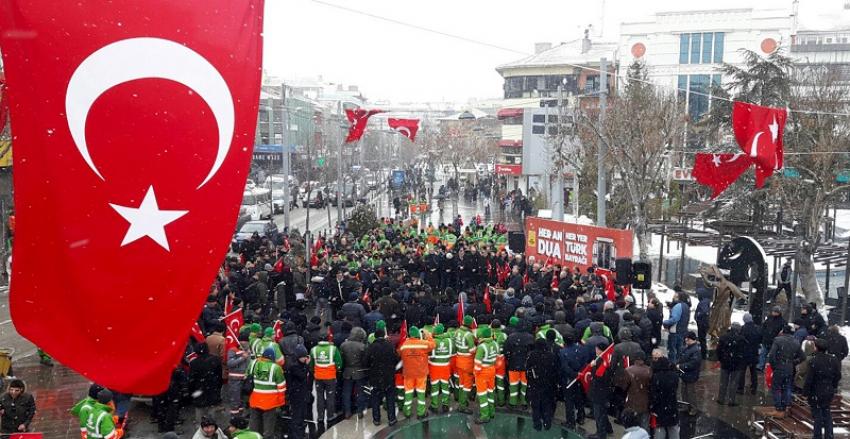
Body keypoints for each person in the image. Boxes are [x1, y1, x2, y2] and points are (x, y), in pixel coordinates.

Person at [804, 338, 842, 439]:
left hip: (816, 391)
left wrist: (806, 392)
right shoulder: (833, 360)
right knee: (827, 412)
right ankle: (829, 435)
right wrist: (833, 386)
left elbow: (809, 379)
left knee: (817, 415)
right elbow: (838, 375)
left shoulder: (813, 361)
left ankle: (817, 436)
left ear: (816, 348)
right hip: (828, 390)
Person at [247, 347, 286, 437]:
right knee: (268, 427)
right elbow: (281, 386)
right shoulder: (276, 368)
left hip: (255, 399)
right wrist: (281, 402)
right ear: (272, 357)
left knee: (254, 424)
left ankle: (254, 437)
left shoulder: (253, 363)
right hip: (270, 402)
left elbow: (247, 376)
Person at [364, 328, 399, 426]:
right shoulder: (390, 346)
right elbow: (396, 359)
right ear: (384, 335)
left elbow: (366, 362)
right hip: (388, 376)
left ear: (375, 336)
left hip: (375, 377)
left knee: (375, 398)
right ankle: (391, 418)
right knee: (390, 397)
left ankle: (376, 419)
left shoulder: (371, 347)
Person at [767, 325, 804, 418]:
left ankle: (778, 409)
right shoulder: (796, 342)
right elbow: (802, 357)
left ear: (783, 331)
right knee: (787, 388)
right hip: (790, 368)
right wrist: (793, 363)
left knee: (775, 388)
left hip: (779, 367)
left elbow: (771, 355)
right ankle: (786, 407)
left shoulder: (778, 340)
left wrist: (774, 365)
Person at [399, 326, 435, 419]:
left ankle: (407, 412)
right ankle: (421, 413)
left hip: (408, 374)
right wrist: (428, 335)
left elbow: (400, 353)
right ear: (418, 334)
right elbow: (433, 345)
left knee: (408, 393)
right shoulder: (423, 344)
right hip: (421, 373)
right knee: (421, 393)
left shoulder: (404, 345)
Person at [559, 331, 591, 429]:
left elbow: (565, 367)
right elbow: (586, 362)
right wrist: (580, 372)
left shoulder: (563, 352)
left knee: (569, 401)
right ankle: (581, 417)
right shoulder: (581, 349)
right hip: (580, 378)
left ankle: (570, 421)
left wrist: (574, 374)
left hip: (569, 379)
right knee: (579, 398)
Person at [310, 333, 342, 424]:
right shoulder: (333, 349)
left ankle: (320, 416)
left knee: (319, 396)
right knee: (330, 397)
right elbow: (339, 363)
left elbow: (311, 365)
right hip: (330, 377)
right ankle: (330, 416)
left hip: (318, 377)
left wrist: (314, 372)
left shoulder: (314, 349)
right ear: (328, 340)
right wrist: (336, 370)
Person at [188, 342, 224, 422]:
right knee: (211, 414)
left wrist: (192, 392)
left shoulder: (194, 363)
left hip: (199, 391)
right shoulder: (215, 360)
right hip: (212, 390)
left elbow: (191, 380)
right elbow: (219, 376)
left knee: (199, 415)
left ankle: (201, 430)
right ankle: (211, 428)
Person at [526, 338, 557, 431]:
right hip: (548, 384)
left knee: (535, 405)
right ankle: (547, 422)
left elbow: (528, 369)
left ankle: (537, 424)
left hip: (535, 384)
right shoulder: (551, 355)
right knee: (547, 403)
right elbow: (555, 370)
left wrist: (530, 381)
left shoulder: (532, 355)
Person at [504, 318, 534, 408]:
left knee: (513, 384)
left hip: (513, 364)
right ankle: (524, 402)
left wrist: (509, 359)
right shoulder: (530, 337)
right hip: (525, 365)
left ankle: (512, 402)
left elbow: (506, 350)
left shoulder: (511, 337)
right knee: (524, 384)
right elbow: (532, 352)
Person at [649, 350, 679, 439]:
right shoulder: (674, 376)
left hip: (660, 407)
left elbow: (654, 394)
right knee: (673, 428)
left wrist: (653, 407)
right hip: (672, 406)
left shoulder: (656, 377)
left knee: (660, 428)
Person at [473, 326, 499, 424]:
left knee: (482, 394)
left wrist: (476, 373)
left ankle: (484, 415)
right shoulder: (495, 344)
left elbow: (477, 362)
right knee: (490, 391)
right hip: (492, 370)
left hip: (482, 372)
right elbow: (498, 358)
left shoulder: (481, 346)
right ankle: (492, 412)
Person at [340, 326, 367, 419]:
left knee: (346, 393)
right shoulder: (362, 346)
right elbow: (365, 361)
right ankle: (360, 411)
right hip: (359, 371)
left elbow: (341, 359)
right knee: (360, 392)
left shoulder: (343, 345)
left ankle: (347, 411)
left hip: (347, 371)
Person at [588, 342, 614, 439]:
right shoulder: (607, 360)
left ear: (599, 350)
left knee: (599, 414)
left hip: (599, 392)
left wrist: (593, 367)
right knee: (602, 412)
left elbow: (598, 377)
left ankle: (600, 434)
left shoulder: (600, 362)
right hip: (604, 391)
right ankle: (608, 428)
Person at [620, 351, 652, 430]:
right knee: (645, 426)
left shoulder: (628, 370)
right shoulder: (649, 370)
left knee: (632, 426)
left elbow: (624, 387)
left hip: (632, 402)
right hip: (646, 402)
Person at [286, 345, 312, 439]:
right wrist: (307, 365)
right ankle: (297, 435)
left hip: (301, 393)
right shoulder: (293, 366)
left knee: (302, 415)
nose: (305, 358)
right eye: (303, 357)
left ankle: (300, 433)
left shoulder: (299, 364)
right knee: (297, 416)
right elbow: (302, 376)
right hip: (296, 395)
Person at [716, 323, 745, 406]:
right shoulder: (741, 339)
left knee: (723, 382)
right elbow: (743, 353)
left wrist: (721, 359)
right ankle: (731, 400)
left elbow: (718, 350)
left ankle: (721, 399)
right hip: (736, 365)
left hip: (725, 363)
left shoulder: (723, 337)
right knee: (733, 383)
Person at [453, 315, 477, 413]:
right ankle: (462, 406)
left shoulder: (457, 331)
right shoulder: (468, 335)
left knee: (461, 383)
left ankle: (461, 400)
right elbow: (472, 350)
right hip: (467, 362)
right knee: (467, 385)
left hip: (459, 360)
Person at [428, 324, 454, 414]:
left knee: (434, 387)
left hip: (434, 368)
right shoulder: (449, 341)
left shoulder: (433, 341)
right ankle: (445, 404)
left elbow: (431, 355)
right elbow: (451, 354)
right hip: (445, 367)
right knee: (445, 386)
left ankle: (434, 405)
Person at [662, 291, 690, 364]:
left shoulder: (678, 306)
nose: (673, 298)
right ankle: (678, 365)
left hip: (675, 332)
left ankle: (673, 366)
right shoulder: (686, 306)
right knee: (680, 351)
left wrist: (665, 322)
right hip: (682, 331)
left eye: (675, 296)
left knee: (672, 350)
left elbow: (675, 319)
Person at [677, 331, 701, 416]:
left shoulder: (695, 350)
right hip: (685, 374)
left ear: (692, 339)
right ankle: (685, 406)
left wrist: (681, 366)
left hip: (691, 375)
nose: (686, 341)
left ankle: (693, 408)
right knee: (684, 392)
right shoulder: (688, 348)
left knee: (691, 393)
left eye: (687, 339)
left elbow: (694, 363)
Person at [738, 313, 762, 395]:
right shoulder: (757, 328)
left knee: (742, 371)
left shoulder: (743, 329)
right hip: (754, 353)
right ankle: (754, 387)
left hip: (744, 354)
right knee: (753, 372)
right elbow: (760, 339)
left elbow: (740, 340)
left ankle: (740, 388)